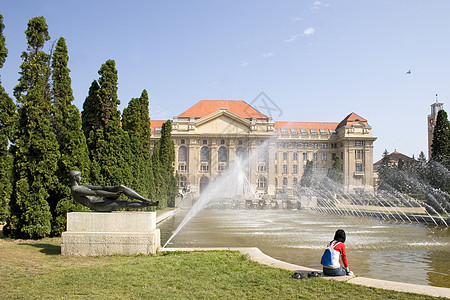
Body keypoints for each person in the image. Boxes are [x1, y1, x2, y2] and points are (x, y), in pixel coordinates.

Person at [70, 170, 158, 212]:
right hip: (98, 205)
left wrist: (115, 188)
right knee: (125, 203)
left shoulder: (83, 186)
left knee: (121, 187)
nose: (80, 178)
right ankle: (148, 204)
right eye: (79, 176)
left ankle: (145, 199)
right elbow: (96, 193)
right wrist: (113, 194)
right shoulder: (76, 190)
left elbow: (100, 188)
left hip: (102, 200)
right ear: (74, 178)